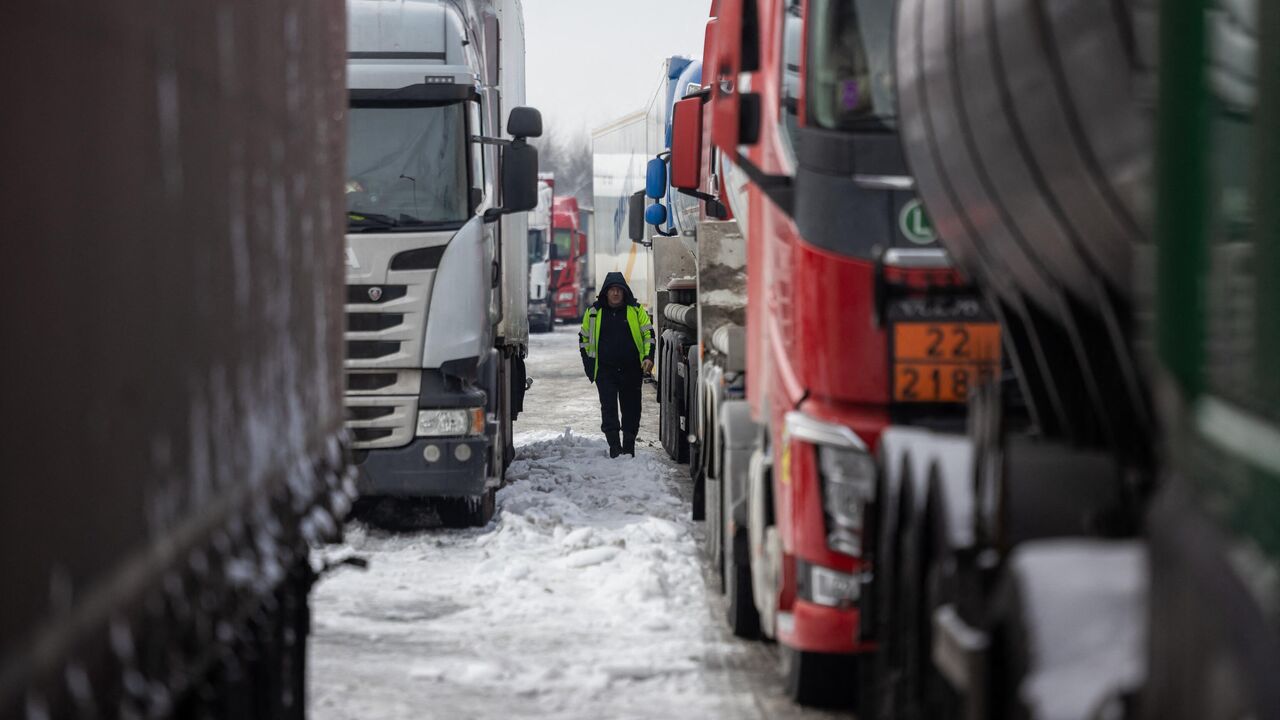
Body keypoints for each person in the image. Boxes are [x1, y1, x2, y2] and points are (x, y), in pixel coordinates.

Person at [579, 273, 655, 458]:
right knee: (609, 409)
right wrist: (590, 368)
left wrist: (648, 357)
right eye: (612, 290)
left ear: (624, 292)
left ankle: (629, 446)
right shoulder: (594, 312)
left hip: (631, 370)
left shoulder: (636, 311)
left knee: (632, 408)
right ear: (605, 292)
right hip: (605, 371)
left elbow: (649, 335)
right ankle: (614, 446)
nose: (615, 293)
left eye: (618, 290)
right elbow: (584, 340)